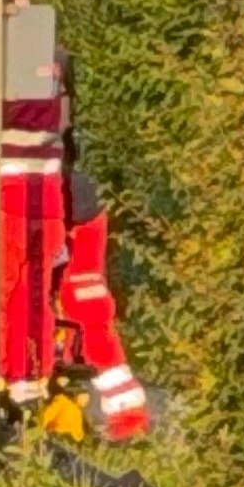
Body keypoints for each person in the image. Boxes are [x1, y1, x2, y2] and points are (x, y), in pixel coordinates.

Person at [0, 3, 71, 412]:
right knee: (34, 291)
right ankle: (31, 381)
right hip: (47, 190)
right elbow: (68, 126)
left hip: (4, 188)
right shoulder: (58, 60)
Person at [58, 171, 149, 441]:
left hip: (72, 209)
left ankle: (128, 416)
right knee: (86, 300)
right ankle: (127, 415)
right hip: (72, 203)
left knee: (86, 303)